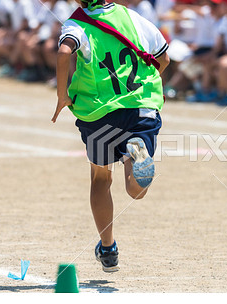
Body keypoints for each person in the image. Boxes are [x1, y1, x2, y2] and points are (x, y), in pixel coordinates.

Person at [52, 0, 170, 272]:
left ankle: (108, 248)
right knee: (135, 191)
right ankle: (136, 152)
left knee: (101, 177)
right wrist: (149, 80)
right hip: (141, 106)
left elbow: (63, 52)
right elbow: (164, 57)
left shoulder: (76, 23)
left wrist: (62, 94)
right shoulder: (133, 18)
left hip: (98, 112)